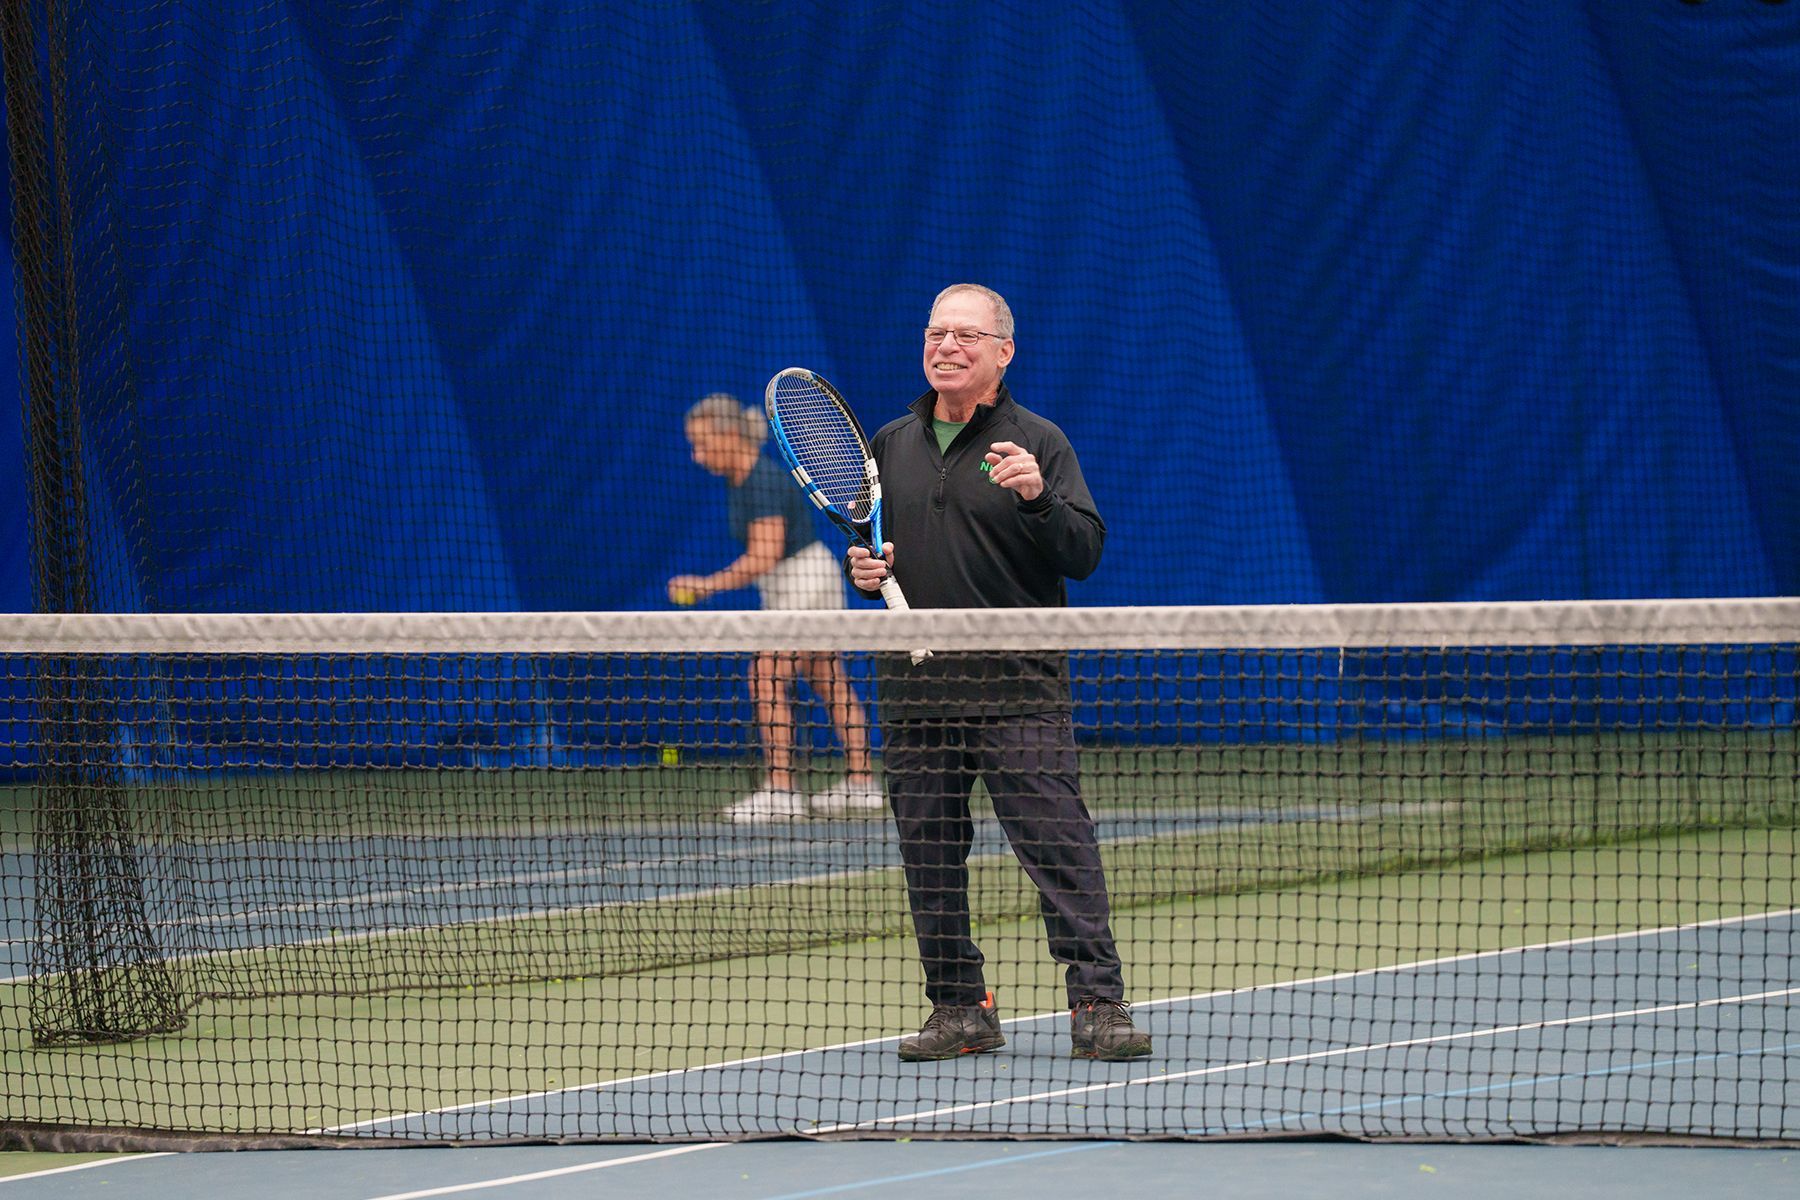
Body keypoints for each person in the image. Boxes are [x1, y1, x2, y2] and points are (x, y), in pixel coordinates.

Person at [846, 284, 1151, 1062]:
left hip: (1018, 690)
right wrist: (865, 571)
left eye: (966, 336)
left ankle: (1097, 1004)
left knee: (1058, 848)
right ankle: (960, 1008)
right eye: (936, 333)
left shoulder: (1037, 441)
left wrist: (1040, 499)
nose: (947, 347)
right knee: (929, 857)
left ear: (1002, 351)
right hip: (916, 694)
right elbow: (876, 549)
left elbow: (1084, 554)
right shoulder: (886, 444)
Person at [669, 393, 882, 823]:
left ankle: (781, 791)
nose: (698, 455)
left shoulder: (761, 480)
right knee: (827, 677)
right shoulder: (742, 482)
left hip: (804, 584)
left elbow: (765, 554)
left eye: (704, 443)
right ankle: (862, 785)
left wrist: (706, 585)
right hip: (798, 585)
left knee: (766, 674)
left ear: (731, 436)